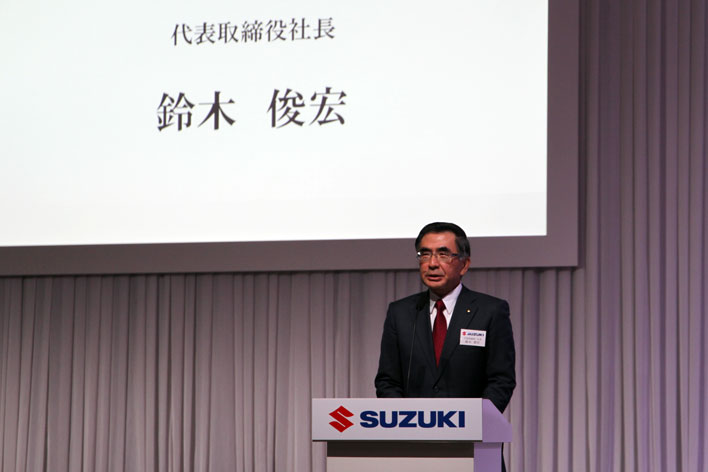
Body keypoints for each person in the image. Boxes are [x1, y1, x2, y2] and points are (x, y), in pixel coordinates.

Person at [374, 222, 516, 413]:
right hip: (412, 427)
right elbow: (387, 381)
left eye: (443, 255)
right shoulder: (400, 313)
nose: (432, 264)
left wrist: (476, 420)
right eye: (425, 254)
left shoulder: (490, 311)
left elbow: (501, 380)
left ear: (464, 264)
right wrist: (403, 418)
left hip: (471, 427)